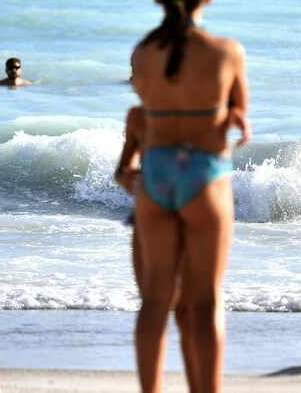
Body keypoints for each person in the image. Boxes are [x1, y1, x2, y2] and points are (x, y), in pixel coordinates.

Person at [129, 0, 250, 393]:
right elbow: (238, 111)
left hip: (156, 171)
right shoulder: (227, 52)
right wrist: (234, 114)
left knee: (155, 302)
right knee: (204, 302)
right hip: (204, 174)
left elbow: (146, 108)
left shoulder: (142, 53)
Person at [113, 106, 198, 392]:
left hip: (194, 208)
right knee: (155, 304)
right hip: (151, 209)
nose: (136, 80)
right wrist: (127, 178)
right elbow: (122, 168)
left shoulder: (200, 108)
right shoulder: (138, 116)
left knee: (188, 311)